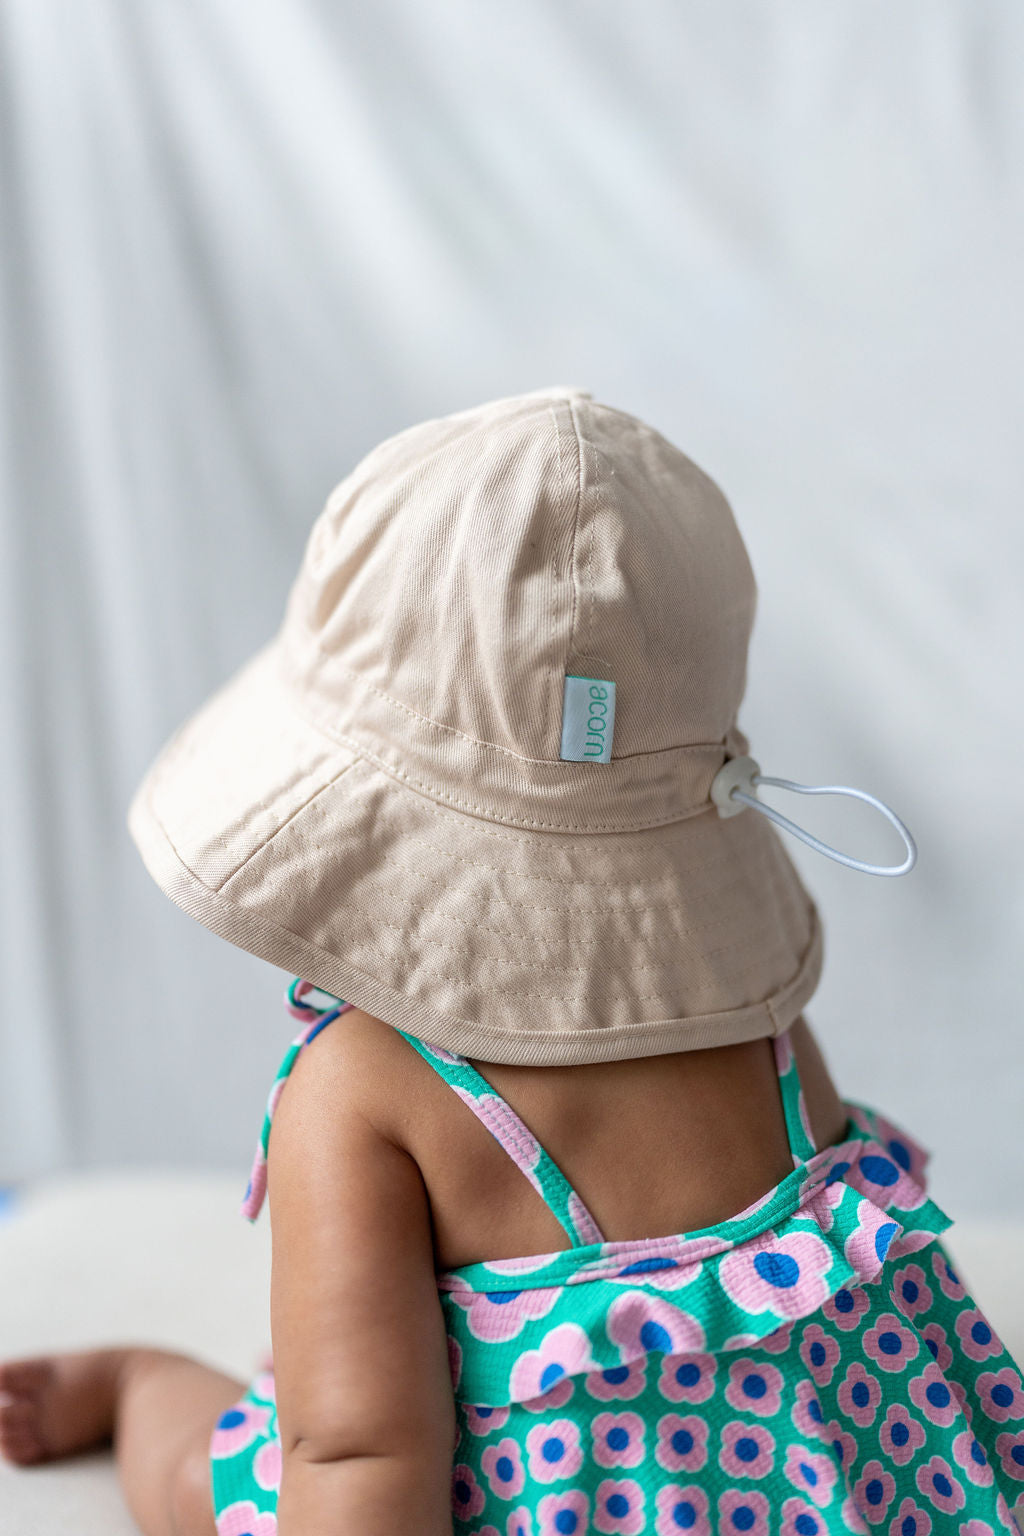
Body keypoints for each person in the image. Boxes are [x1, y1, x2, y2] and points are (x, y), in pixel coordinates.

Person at [1, 388, 1021, 1536]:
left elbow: (356, 1451)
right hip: (845, 1494)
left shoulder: (358, 1091)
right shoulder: (751, 1013)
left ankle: (144, 1388)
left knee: (219, 1471)